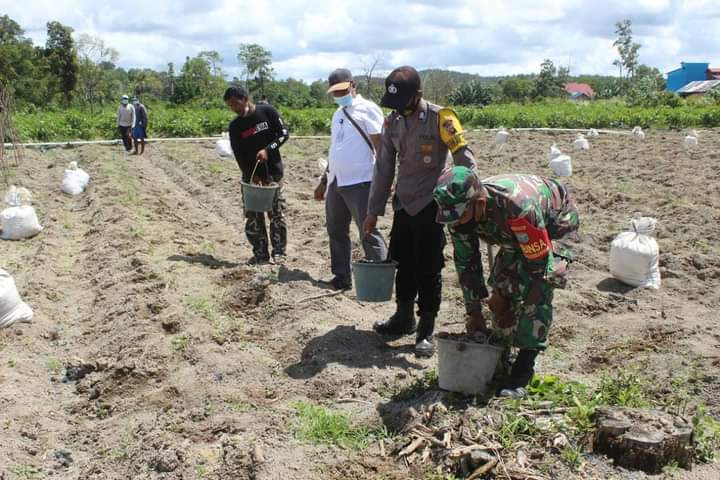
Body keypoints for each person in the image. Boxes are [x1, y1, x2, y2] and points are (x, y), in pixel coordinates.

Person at [433, 166, 580, 398]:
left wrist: (507, 296)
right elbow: (466, 264)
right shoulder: (459, 215)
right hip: (510, 234)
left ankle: (525, 364)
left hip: (553, 221)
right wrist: (475, 313)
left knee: (545, 282)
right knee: (502, 289)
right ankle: (501, 350)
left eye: (461, 214)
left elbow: (538, 268)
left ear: (479, 202)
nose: (456, 222)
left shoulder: (519, 209)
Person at [363, 66, 477, 357]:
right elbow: (384, 167)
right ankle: (404, 317)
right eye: (395, 107)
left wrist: (465, 195)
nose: (399, 111)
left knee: (428, 267)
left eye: (403, 104)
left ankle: (426, 327)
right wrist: (373, 211)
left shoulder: (443, 118)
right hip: (403, 203)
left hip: (431, 205)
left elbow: (464, 158)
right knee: (401, 261)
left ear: (418, 96)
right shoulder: (392, 122)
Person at [314, 68, 387, 291]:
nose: (338, 96)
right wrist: (324, 181)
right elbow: (334, 149)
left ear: (353, 85)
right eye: (334, 93)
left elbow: (381, 146)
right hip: (337, 181)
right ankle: (342, 277)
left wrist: (385, 179)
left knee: (367, 229)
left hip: (361, 180)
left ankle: (381, 276)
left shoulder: (368, 109)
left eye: (342, 91)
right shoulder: (338, 114)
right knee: (336, 230)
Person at [224, 86, 290, 265]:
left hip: (273, 174)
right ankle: (260, 254)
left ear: (245, 99)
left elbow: (284, 135)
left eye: (236, 103)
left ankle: (279, 253)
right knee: (253, 216)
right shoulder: (235, 126)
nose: (235, 109)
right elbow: (238, 155)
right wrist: (251, 176)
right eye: (230, 106)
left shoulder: (267, 112)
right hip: (252, 177)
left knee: (277, 214)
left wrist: (268, 150)